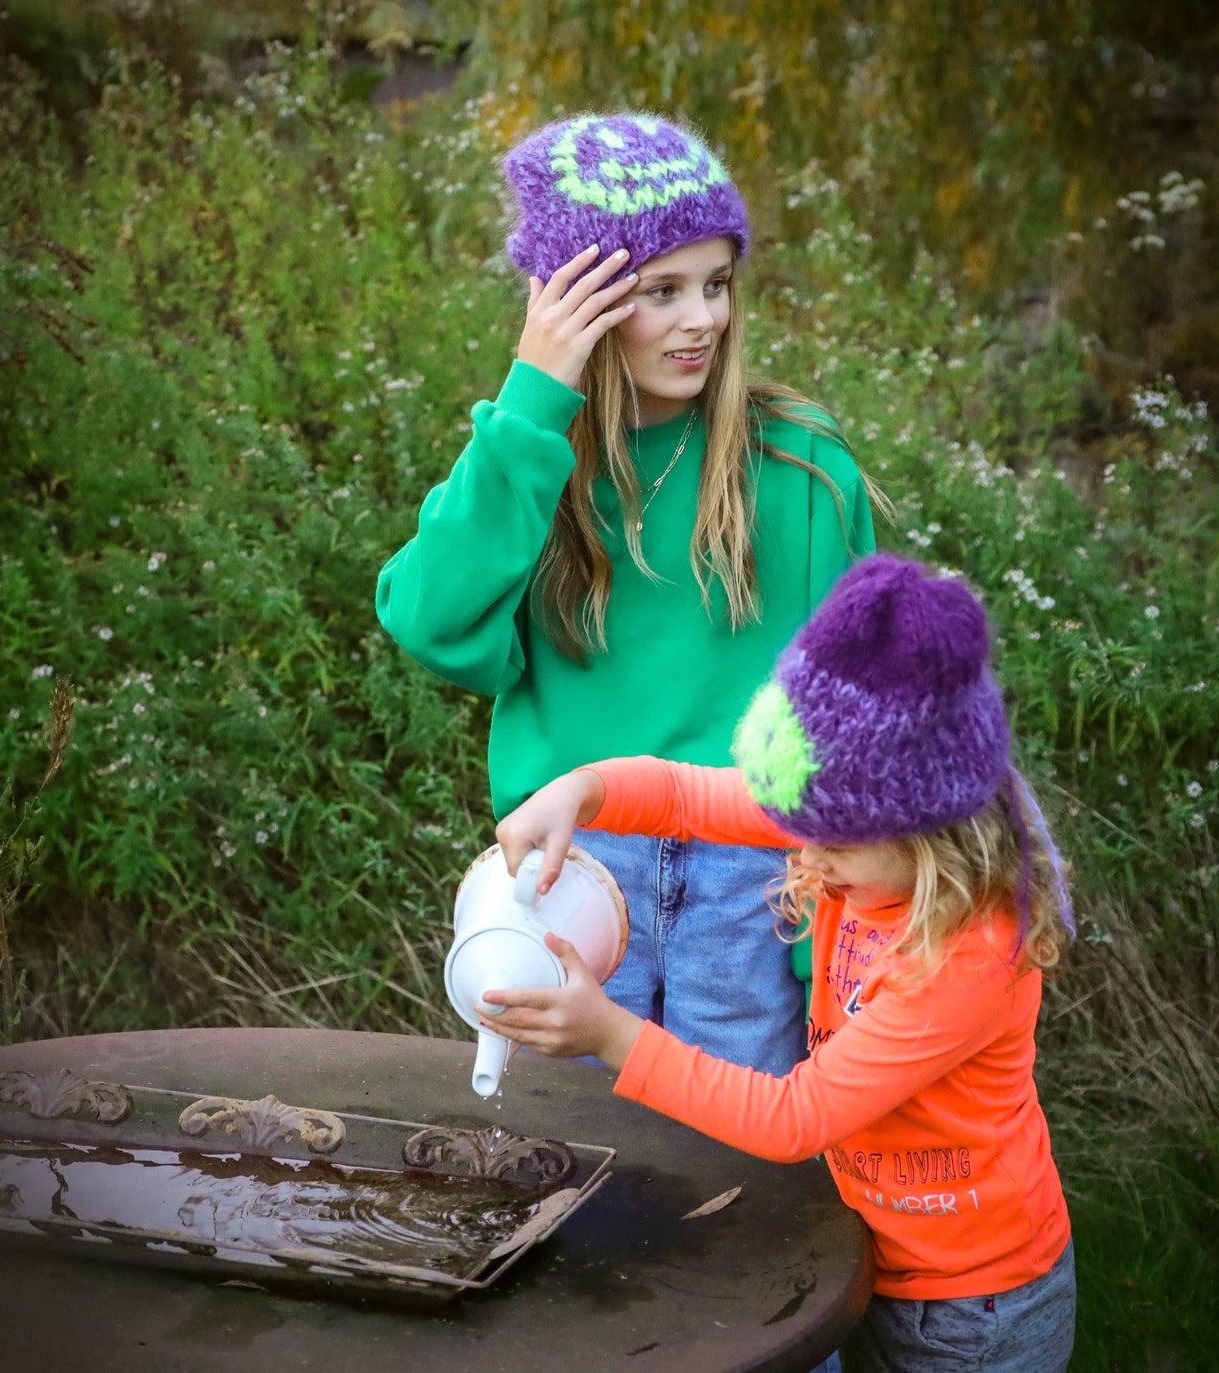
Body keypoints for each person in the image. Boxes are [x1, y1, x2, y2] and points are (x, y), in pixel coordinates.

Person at [480, 554, 1078, 1373]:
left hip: (970, 1306)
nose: (805, 850)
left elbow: (794, 1118)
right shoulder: (837, 817)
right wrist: (579, 790)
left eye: (829, 842)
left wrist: (613, 1035)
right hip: (871, 1252)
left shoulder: (962, 958)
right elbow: (686, 795)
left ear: (932, 834)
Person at [377, 112, 882, 1075]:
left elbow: (846, 722)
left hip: (754, 882)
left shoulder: (800, 466)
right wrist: (534, 391)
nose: (704, 319)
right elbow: (429, 622)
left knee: (735, 1177)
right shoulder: (530, 463)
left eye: (716, 283)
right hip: (572, 870)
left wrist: (836, 940)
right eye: (661, 291)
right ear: (579, 304)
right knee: (563, 1172)